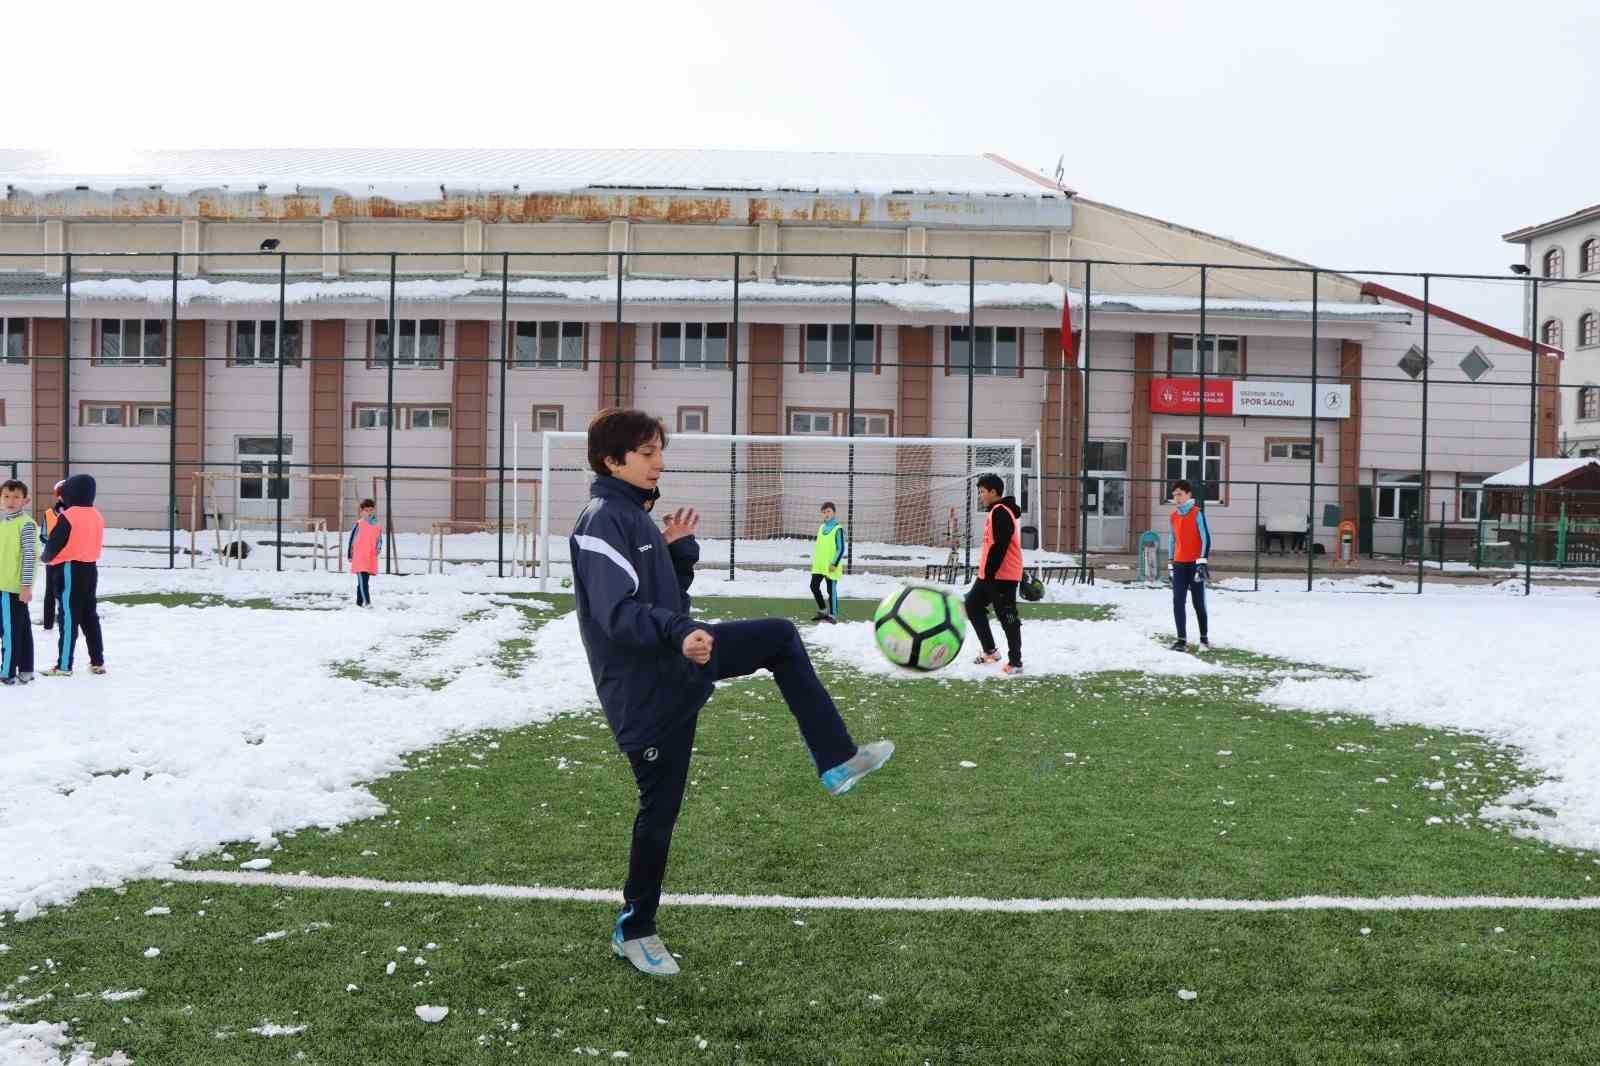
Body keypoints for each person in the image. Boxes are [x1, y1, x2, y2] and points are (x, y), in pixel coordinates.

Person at [570, 408, 894, 978]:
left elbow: (663, 596)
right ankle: (636, 927)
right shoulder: (602, 522)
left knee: (780, 637)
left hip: (679, 659)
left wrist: (677, 552)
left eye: (659, 451)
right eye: (647, 453)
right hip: (646, 691)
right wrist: (678, 630)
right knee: (659, 812)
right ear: (612, 460)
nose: (659, 462)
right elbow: (616, 614)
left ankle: (837, 759)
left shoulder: (634, 516)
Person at [39, 474, 106, 677]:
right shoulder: (97, 514)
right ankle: (97, 661)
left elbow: (54, 543)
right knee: (90, 616)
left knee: (68, 616)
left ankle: (64, 665)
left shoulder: (68, 516)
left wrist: (45, 558)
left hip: (69, 569)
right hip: (90, 568)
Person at [965, 474, 1024, 676]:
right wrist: (986, 573)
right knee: (972, 604)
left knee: (1007, 616)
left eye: (983, 491)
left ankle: (1016, 662)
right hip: (989, 575)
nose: (981, 495)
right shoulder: (996, 511)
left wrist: (989, 572)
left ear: (994, 492)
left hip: (1002, 576)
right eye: (979, 491)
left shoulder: (1000, 511)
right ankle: (990, 651)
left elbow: (1001, 544)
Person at [0, 479, 37, 685]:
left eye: (16, 497)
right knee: (20, 628)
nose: (11, 501)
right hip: (4, 585)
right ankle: (26, 669)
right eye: (6, 496)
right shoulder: (5, 524)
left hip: (11, 587)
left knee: (9, 631)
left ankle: (7, 671)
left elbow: (29, 556)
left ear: (25, 501)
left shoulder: (26, 525)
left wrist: (25, 585)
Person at [1167, 479, 1211, 651]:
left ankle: (1204, 639)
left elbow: (1206, 538)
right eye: (1174, 495)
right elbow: (1172, 539)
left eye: (1180, 494)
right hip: (1179, 565)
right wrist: (1170, 563)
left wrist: (1202, 561)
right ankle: (1181, 640)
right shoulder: (1173, 516)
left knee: (1198, 602)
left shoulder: (1197, 513)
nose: (1177, 498)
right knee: (1178, 601)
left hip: (1195, 564)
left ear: (1188, 495)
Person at [809, 501, 845, 623]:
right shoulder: (821, 528)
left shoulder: (837, 529)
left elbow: (841, 548)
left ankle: (833, 615)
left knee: (831, 591)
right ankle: (823, 611)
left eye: (828, 511)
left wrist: (834, 563)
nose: (826, 514)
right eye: (824, 512)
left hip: (831, 566)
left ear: (834, 513)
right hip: (820, 565)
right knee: (814, 586)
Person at [39, 481, 64, 631]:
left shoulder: (74, 514)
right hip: (53, 559)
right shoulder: (49, 513)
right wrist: (52, 544)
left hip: (68, 560)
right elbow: (42, 535)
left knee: (65, 593)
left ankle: (65, 621)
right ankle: (48, 625)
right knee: (50, 592)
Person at [348, 499, 382, 607]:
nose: (369, 512)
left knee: (364, 581)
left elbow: (379, 539)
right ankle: (367, 602)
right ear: (362, 511)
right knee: (362, 580)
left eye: (371, 510)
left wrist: (378, 548)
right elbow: (352, 539)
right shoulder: (359, 524)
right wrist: (350, 554)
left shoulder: (377, 525)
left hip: (370, 557)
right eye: (366, 510)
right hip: (359, 556)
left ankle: (359, 602)